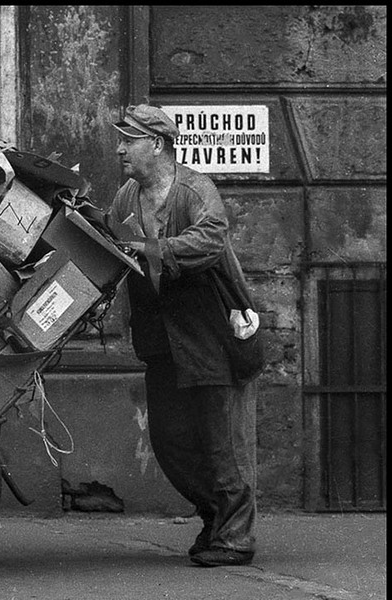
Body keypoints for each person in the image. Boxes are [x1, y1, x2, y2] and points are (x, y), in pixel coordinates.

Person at [103, 103, 259, 567]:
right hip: (160, 340)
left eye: (128, 140)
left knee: (219, 441)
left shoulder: (195, 190)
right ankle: (216, 518)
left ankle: (236, 538)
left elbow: (211, 240)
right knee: (170, 441)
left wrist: (153, 249)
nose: (119, 148)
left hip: (206, 333)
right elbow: (112, 245)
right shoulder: (127, 197)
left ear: (158, 144)